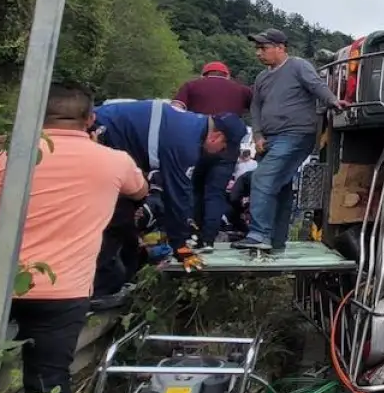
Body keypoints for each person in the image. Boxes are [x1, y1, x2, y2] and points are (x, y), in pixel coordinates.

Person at [0, 82, 148, 393]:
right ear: (90, 119)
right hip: (63, 293)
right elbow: (139, 191)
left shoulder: (2, 156)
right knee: (48, 384)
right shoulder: (113, 160)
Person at [233, 28, 347, 254]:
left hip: (295, 135)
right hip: (269, 138)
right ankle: (276, 243)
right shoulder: (262, 77)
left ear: (280, 48)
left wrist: (333, 101)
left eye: (263, 48)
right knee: (280, 187)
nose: (258, 53)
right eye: (257, 48)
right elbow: (256, 108)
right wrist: (257, 135)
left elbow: (316, 86)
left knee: (262, 179)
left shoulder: (298, 66)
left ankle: (258, 234)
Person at [92, 99, 248, 264]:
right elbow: (177, 195)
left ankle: (121, 266)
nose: (221, 153)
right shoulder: (185, 144)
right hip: (100, 132)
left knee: (125, 214)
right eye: (224, 148)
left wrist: (186, 225)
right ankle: (104, 279)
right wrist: (181, 246)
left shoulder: (193, 125)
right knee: (115, 216)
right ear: (216, 137)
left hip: (109, 130)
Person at [172, 62, 253, 250]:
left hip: (196, 145)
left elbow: (175, 110)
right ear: (227, 75)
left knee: (194, 191)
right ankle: (209, 240)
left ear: (204, 74)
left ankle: (194, 235)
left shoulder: (191, 86)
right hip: (228, 149)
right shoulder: (242, 90)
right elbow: (260, 106)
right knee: (215, 194)